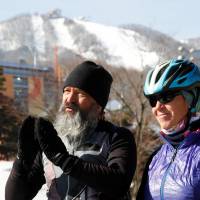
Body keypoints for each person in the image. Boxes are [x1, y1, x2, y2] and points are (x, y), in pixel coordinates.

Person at [5, 61, 137, 200]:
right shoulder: (50, 140)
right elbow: (13, 197)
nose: (69, 99)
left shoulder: (117, 137)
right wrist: (21, 161)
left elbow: (119, 184)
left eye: (80, 93)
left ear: (98, 105)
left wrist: (63, 159)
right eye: (67, 91)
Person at [136, 59, 200, 200]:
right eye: (153, 100)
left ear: (192, 98)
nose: (158, 107)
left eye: (166, 97)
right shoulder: (156, 157)